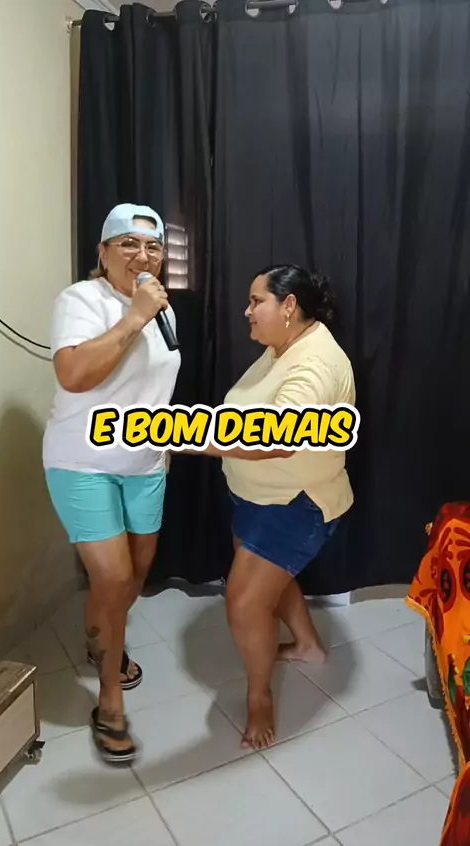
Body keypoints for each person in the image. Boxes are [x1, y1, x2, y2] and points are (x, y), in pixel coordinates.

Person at [184, 264, 355, 750]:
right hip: (260, 498)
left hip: (296, 504)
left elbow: (280, 436)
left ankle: (259, 698)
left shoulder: (314, 363)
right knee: (265, 585)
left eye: (256, 301)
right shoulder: (282, 345)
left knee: (244, 602)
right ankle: (308, 646)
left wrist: (195, 441)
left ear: (289, 306)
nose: (247, 311)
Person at [42, 203, 181, 764]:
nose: (143, 256)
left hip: (145, 465)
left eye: (153, 246)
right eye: (128, 244)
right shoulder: (81, 300)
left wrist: (162, 450)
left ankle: (103, 637)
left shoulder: (166, 311)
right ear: (102, 252)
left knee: (132, 580)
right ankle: (109, 701)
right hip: (82, 463)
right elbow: (74, 374)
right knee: (114, 576)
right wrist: (134, 318)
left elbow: (154, 390)